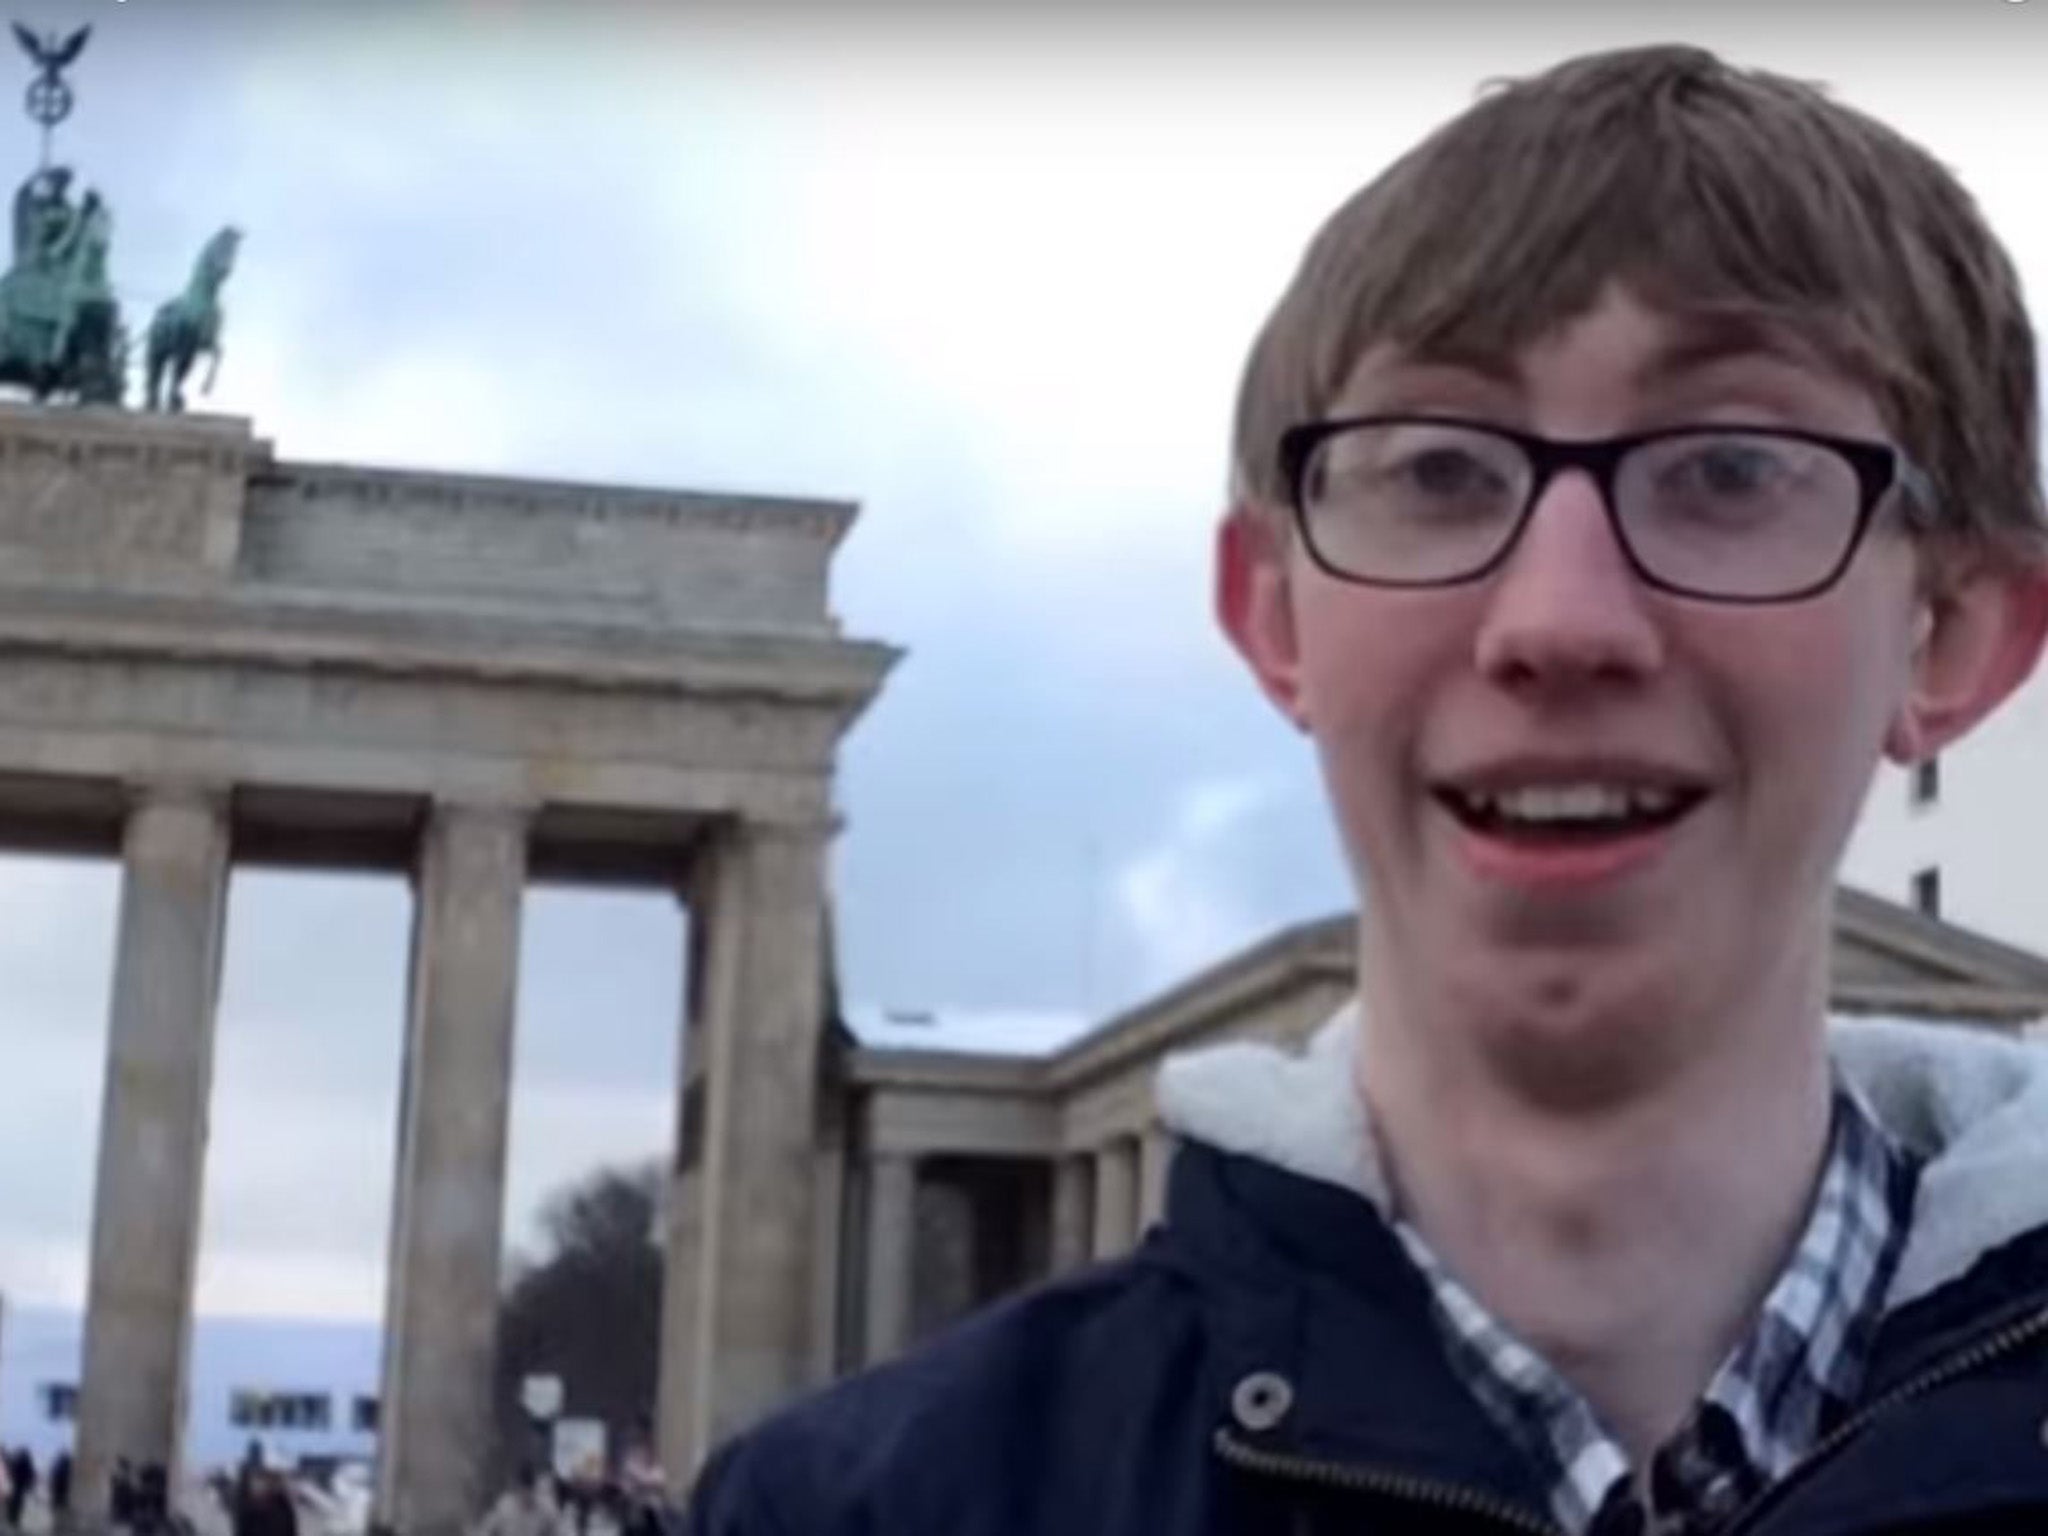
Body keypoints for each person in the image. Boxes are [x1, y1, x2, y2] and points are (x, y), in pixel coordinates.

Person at [677, 41, 2048, 1536]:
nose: (1558, 621)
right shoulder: (855, 1513)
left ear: (1958, 631)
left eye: (1726, 470)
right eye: (1441, 471)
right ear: (1273, 615)